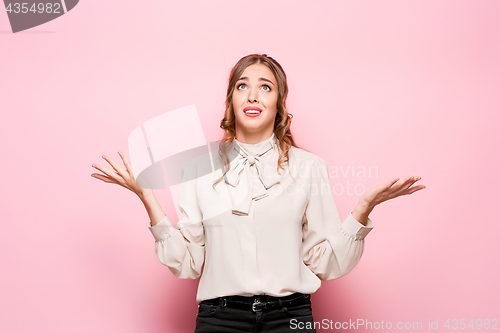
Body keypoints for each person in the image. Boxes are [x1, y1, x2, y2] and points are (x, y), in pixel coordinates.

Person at [91, 54, 425, 332]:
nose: (252, 95)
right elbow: (190, 263)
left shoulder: (309, 167)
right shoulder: (197, 168)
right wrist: (147, 197)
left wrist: (362, 210)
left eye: (265, 87)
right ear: (231, 100)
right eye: (242, 86)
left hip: (290, 319)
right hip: (220, 320)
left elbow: (322, 262)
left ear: (278, 103)